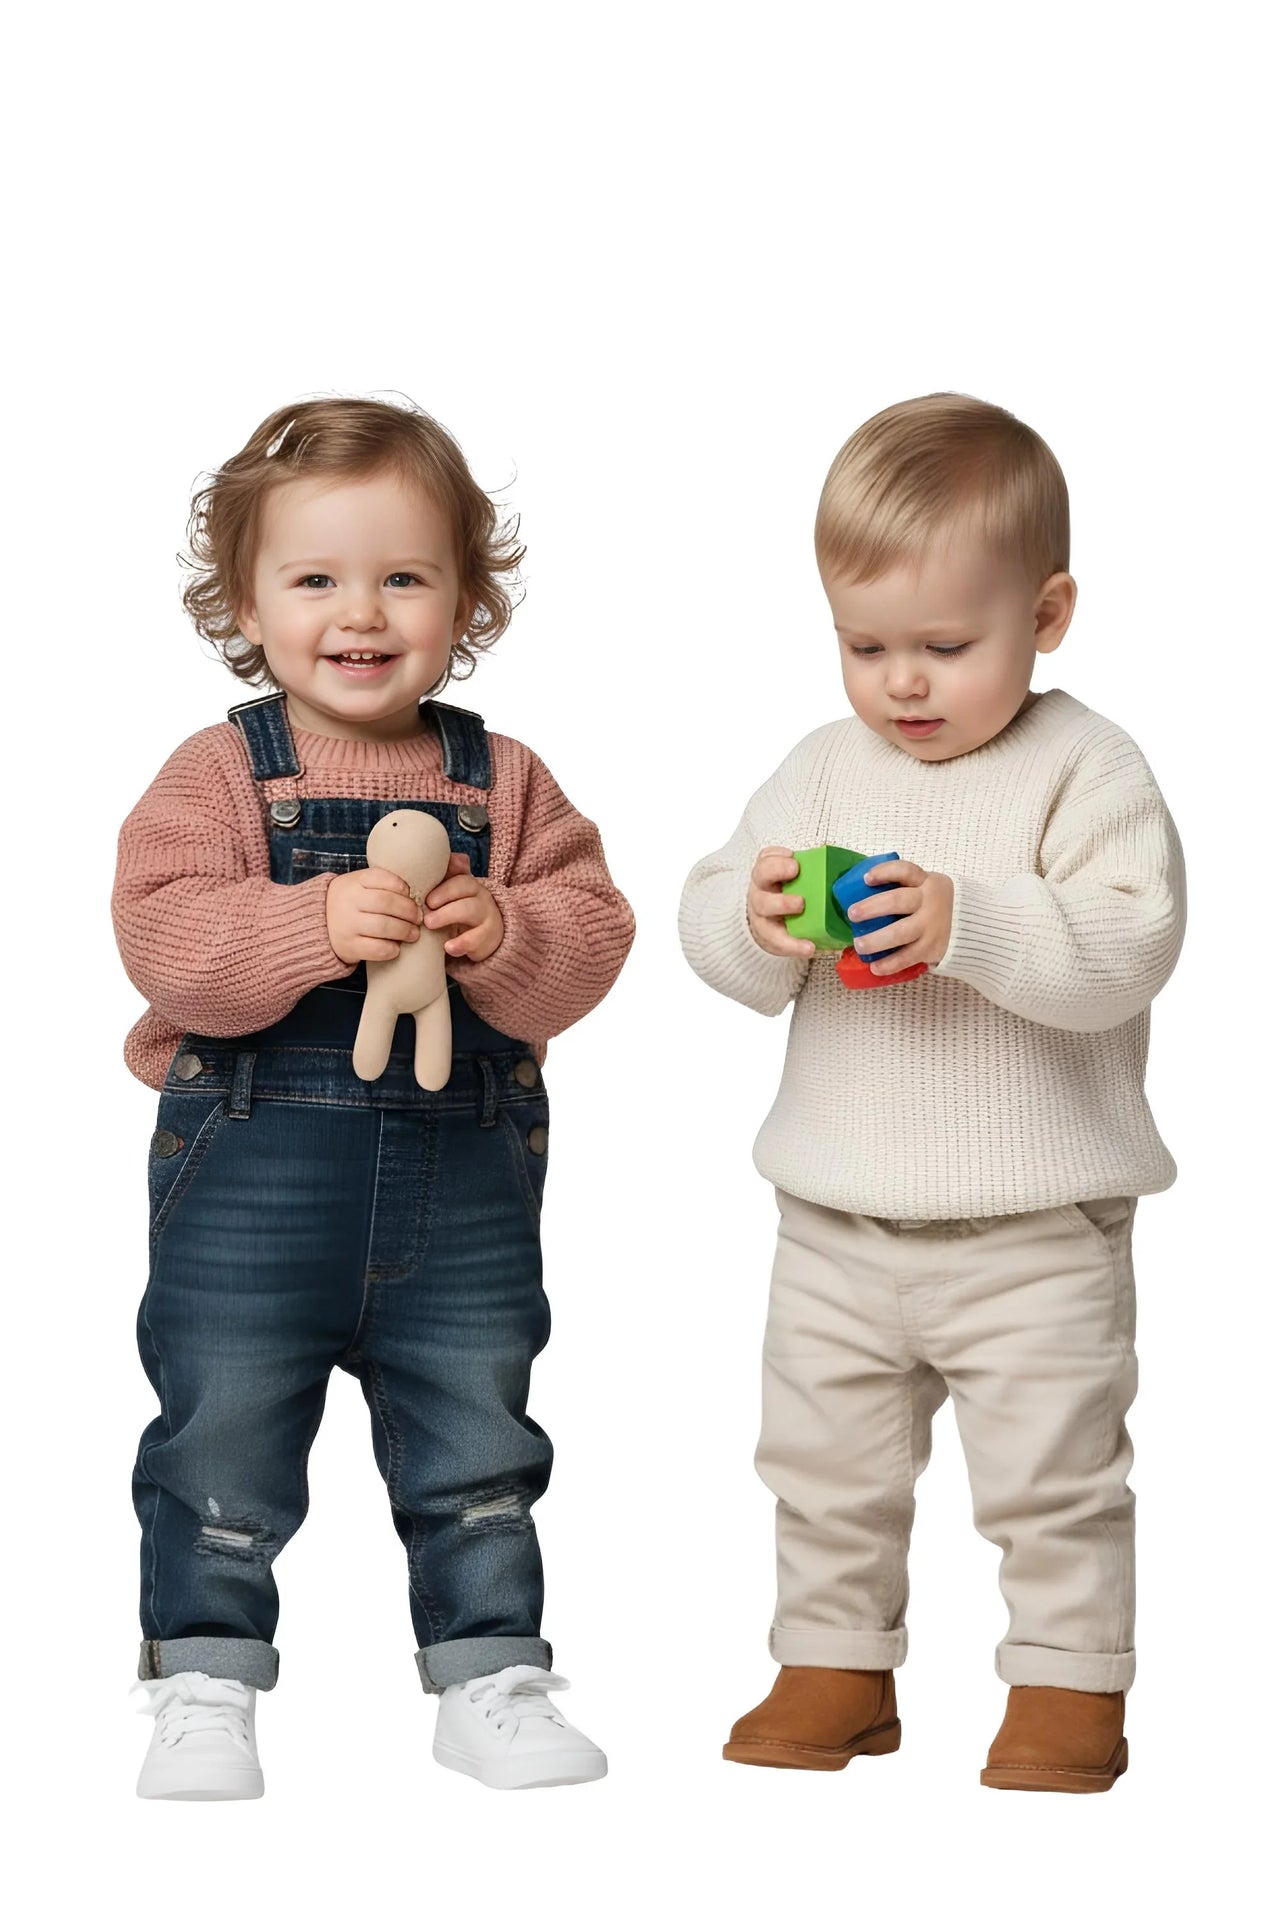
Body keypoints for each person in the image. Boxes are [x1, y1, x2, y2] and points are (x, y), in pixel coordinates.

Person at [112, 395, 634, 1797]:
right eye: (317, 578)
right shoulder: (223, 774)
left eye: (406, 575)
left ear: (467, 596)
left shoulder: (503, 780)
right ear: (245, 602)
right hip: (253, 1191)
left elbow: (595, 936)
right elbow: (163, 938)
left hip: (459, 1196)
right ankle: (206, 1678)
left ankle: (492, 1676)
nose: (363, 610)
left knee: (477, 1433)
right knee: (219, 1427)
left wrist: (508, 937)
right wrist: (305, 926)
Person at [677, 392, 1185, 1793]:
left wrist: (970, 924)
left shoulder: (1086, 767)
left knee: (1054, 1479)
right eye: (865, 646)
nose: (904, 683)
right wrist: (758, 923)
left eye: (948, 648)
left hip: (1033, 1231)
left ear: (1050, 611)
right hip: (835, 1220)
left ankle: (1071, 1685)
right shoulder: (824, 765)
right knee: (823, 1467)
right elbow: (717, 911)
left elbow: (1128, 949)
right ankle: (835, 1662)